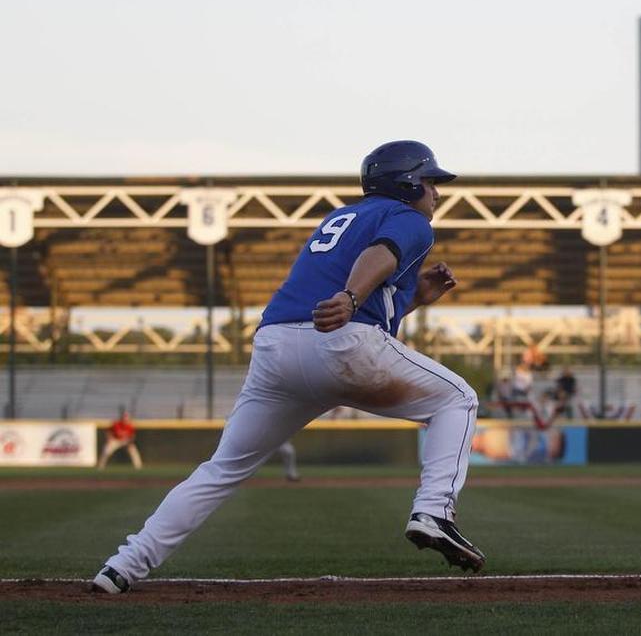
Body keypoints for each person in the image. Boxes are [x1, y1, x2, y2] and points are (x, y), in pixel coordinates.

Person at [91, 141, 484, 596]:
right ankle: (434, 511)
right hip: (342, 342)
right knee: (458, 399)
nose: (436, 192)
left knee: (221, 469)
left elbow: (367, 293)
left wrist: (411, 299)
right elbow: (378, 257)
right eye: (431, 181)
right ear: (407, 182)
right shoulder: (409, 219)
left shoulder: (338, 217)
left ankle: (123, 565)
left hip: (277, 346)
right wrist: (352, 296)